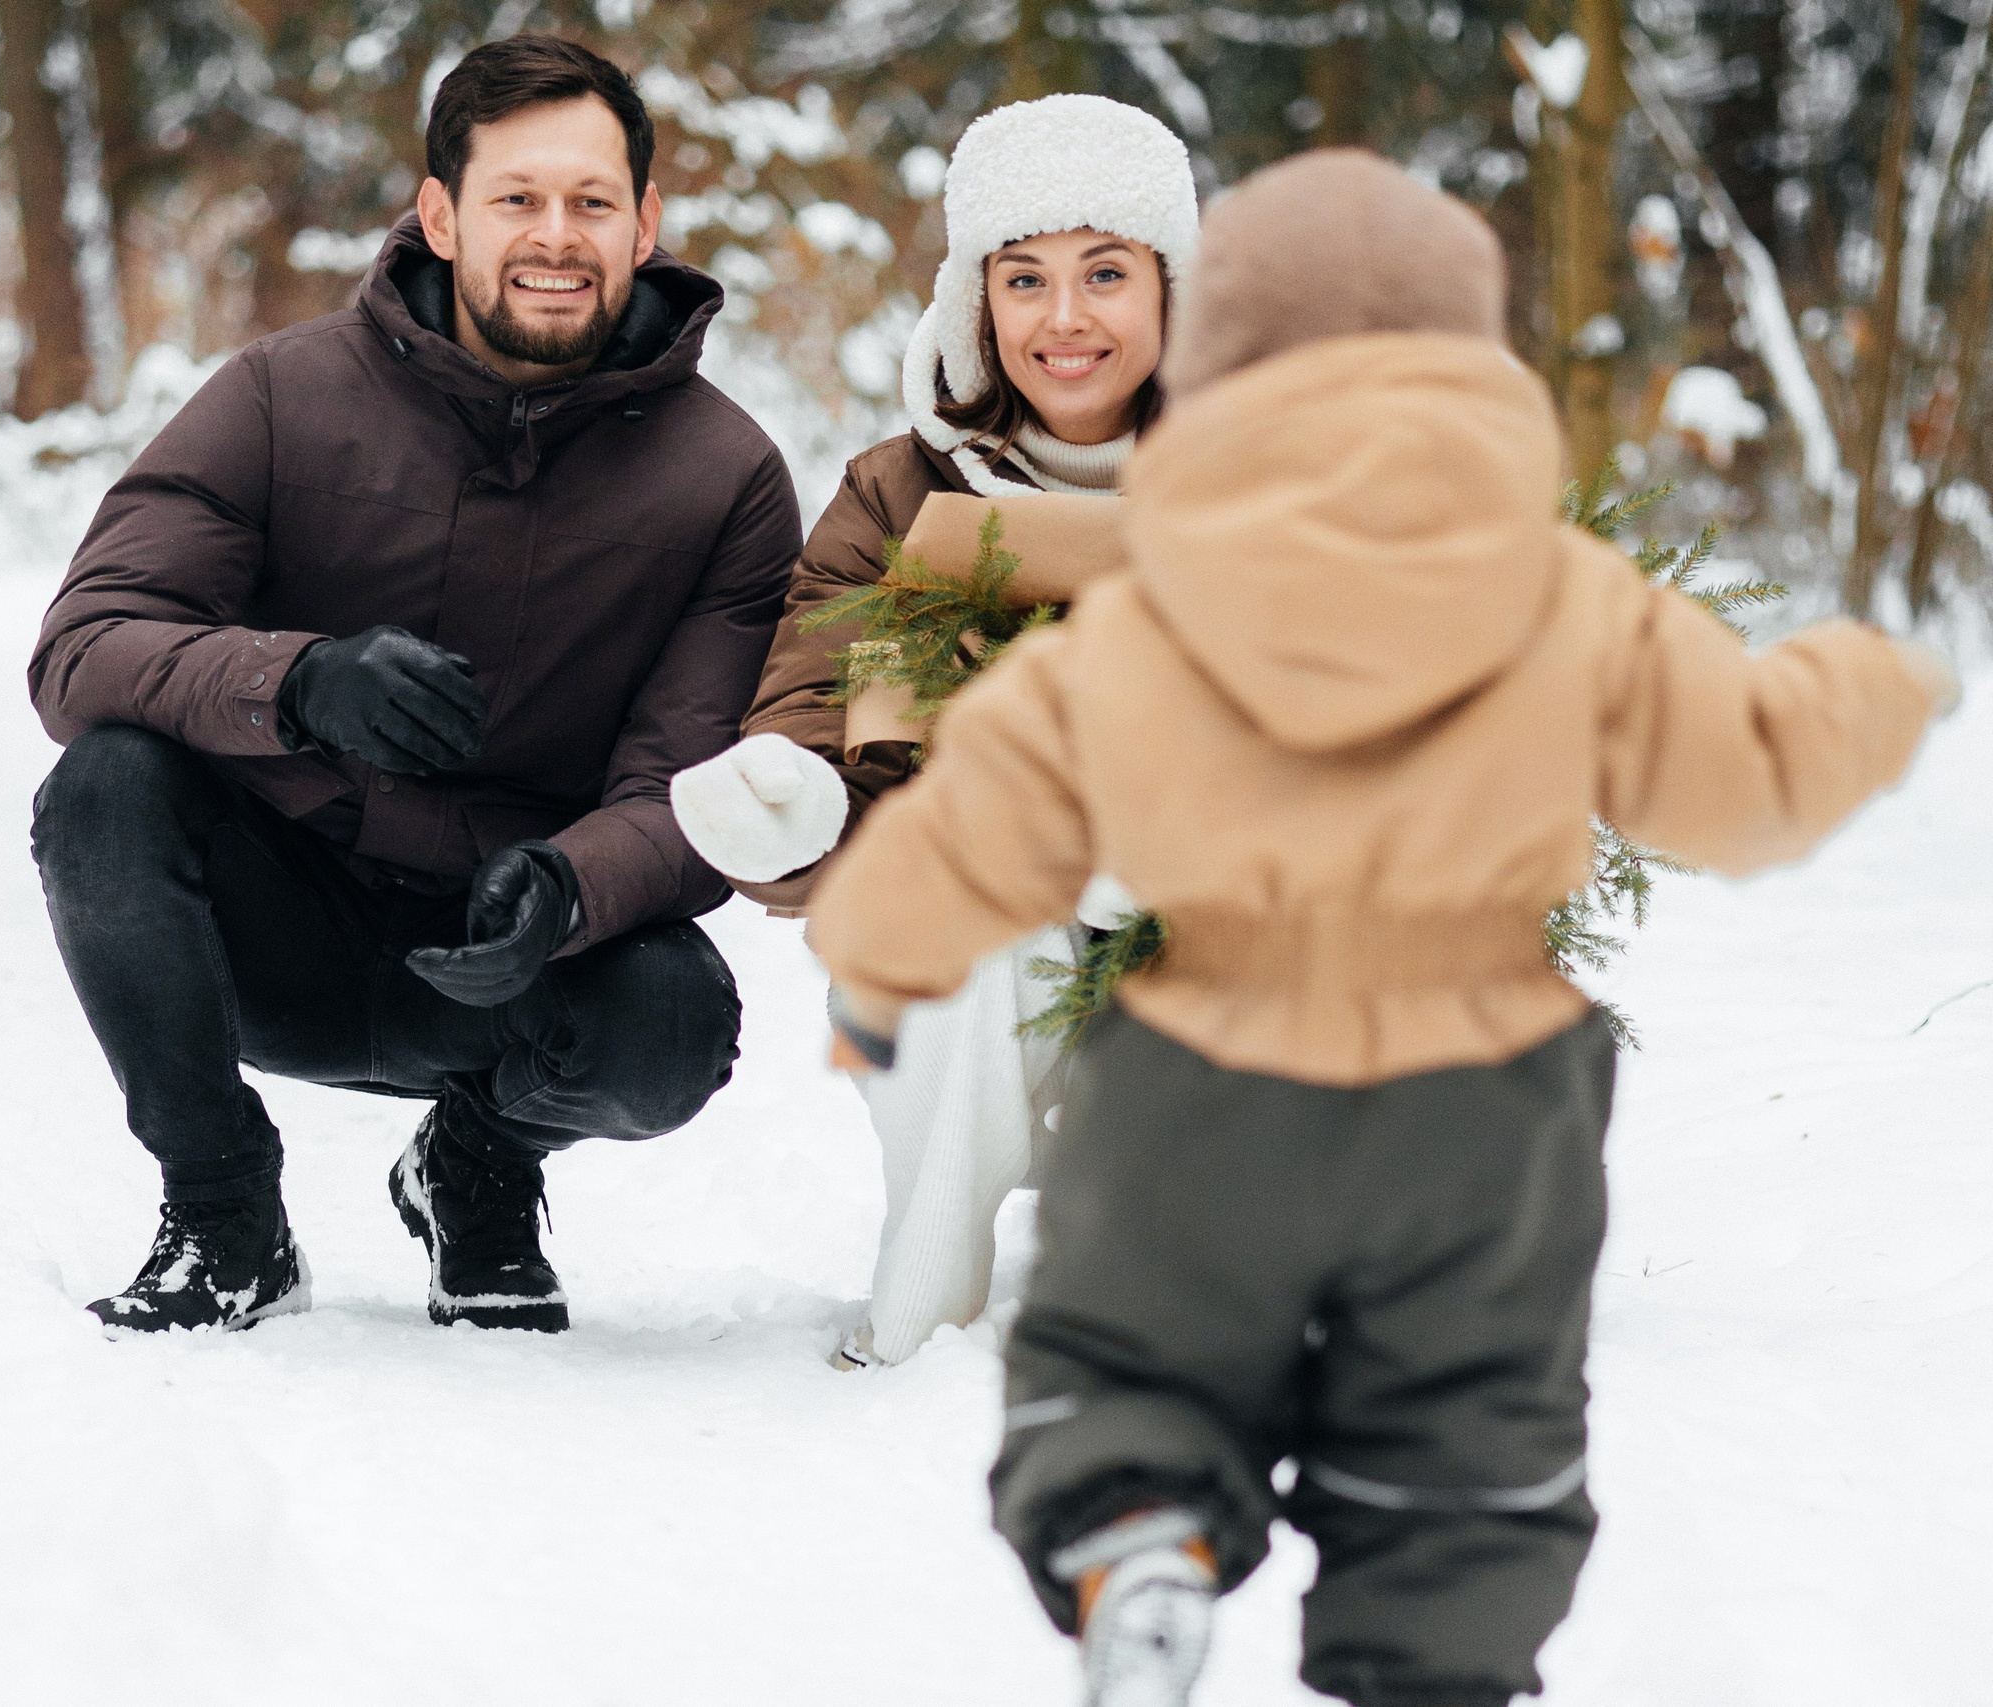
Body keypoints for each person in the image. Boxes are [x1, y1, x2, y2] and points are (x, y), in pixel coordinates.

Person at [806, 151, 1956, 1707]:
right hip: (1483, 1097)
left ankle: (1136, 1530)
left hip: (1211, 1059)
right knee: (1465, 1415)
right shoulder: (1549, 587)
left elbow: (1000, 798)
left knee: (1141, 1337)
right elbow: (1739, 777)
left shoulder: (1166, 595)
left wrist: (882, 943)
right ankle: (1437, 1652)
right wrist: (1865, 692)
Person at [27, 36, 801, 1336]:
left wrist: (571, 884)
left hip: (517, 957)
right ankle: (224, 1216)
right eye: (517, 199)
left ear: (646, 220)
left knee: (676, 1016)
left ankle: (478, 1167)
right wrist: (300, 682)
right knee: (102, 785)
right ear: (441, 212)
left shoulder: (726, 477)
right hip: (281, 926)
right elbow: (86, 642)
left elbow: (691, 784)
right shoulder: (281, 396)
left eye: (591, 201)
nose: (555, 236)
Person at [672, 94, 1199, 1370]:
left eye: (1105, 274)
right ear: (975, 300)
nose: (1063, 320)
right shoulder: (898, 496)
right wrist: (795, 816)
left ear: (1174, 291)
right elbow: (808, 703)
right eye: (1023, 279)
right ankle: (927, 1304)